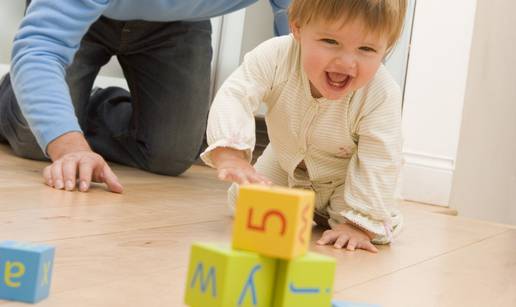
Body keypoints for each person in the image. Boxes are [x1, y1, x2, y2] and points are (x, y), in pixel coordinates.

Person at [0, 0, 287, 194]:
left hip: (179, 20)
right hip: (83, 15)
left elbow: (310, 31)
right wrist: (68, 146)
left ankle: (75, 104)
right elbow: (41, 50)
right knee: (38, 141)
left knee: (169, 156)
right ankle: (21, 97)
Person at [201, 0, 407, 252]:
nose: (346, 62)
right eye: (330, 42)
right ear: (297, 28)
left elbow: (380, 158)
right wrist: (231, 154)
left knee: (366, 228)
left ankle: (363, 217)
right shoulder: (274, 56)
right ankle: (304, 208)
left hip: (344, 178)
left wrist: (361, 224)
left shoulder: (381, 93)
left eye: (366, 48)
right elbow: (236, 95)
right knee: (242, 202)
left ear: (387, 47)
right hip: (285, 160)